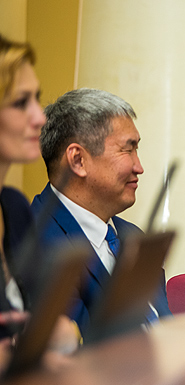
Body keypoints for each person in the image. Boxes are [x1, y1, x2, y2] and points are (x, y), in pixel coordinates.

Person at [31, 88, 171, 336]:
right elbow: (79, 351)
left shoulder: (132, 236)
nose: (139, 167)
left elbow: (166, 328)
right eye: (127, 150)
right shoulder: (37, 245)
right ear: (78, 160)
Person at [0, 34, 78, 365]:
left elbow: (51, 326)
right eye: (21, 103)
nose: (40, 117)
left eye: (37, 99)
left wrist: (61, 334)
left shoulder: (15, 209)